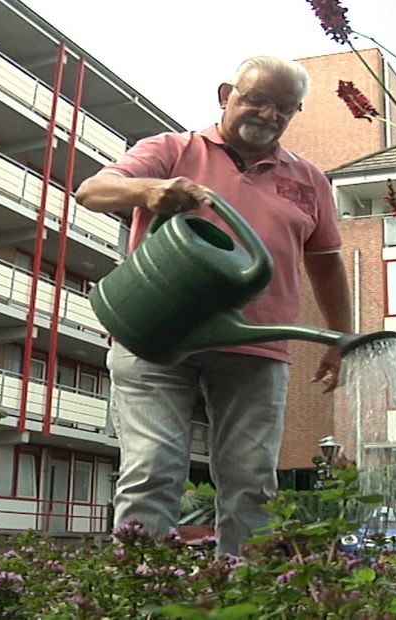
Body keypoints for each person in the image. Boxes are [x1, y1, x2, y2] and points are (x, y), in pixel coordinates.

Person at [76, 56, 352, 556]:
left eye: (284, 108)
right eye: (256, 99)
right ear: (227, 94)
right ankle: (140, 593)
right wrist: (152, 189)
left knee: (252, 480)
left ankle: (245, 595)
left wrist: (338, 339)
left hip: (256, 344)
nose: (268, 114)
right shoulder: (172, 149)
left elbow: (328, 264)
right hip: (156, 333)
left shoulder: (309, 179)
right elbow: (92, 190)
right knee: (153, 467)